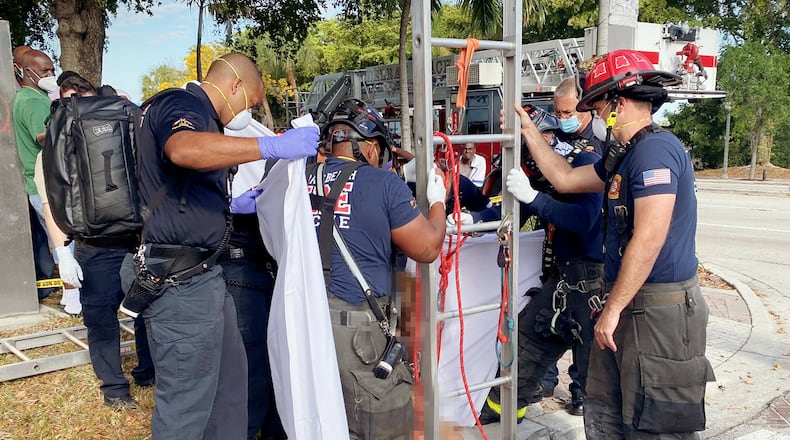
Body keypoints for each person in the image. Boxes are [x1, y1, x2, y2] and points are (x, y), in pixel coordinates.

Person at [506, 49, 715, 439]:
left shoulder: (655, 150)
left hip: (658, 309)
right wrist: (530, 132)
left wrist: (613, 308)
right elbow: (567, 179)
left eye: (598, 105)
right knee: (608, 407)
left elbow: (649, 237)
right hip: (628, 298)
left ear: (619, 101)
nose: (596, 115)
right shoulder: (623, 155)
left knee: (655, 419)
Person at [133, 52, 318, 440]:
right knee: (185, 407)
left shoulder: (206, 117)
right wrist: (271, 147)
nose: (247, 114)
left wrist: (234, 205)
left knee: (231, 389)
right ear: (234, 85)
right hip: (179, 282)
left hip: (206, 276)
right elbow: (184, 150)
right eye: (250, 103)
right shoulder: (181, 104)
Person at [306, 98, 447, 439]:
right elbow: (427, 248)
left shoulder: (300, 177)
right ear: (370, 147)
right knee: (386, 421)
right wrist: (438, 201)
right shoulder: (383, 184)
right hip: (358, 331)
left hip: (308, 321)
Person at [37, 73, 156, 408]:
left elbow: (52, 203)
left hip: (106, 243)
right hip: (126, 240)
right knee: (128, 313)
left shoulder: (60, 138)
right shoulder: (123, 120)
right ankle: (133, 379)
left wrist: (64, 253)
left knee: (114, 317)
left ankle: (126, 384)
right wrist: (63, 253)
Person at [477, 107, 602, 422]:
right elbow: (509, 213)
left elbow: (583, 221)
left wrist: (535, 197)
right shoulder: (541, 176)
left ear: (545, 138)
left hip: (592, 283)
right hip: (561, 280)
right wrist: (471, 221)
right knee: (526, 351)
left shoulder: (582, 162)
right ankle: (503, 410)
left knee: (596, 376)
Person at [538, 75, 610, 411]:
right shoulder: (555, 145)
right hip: (557, 251)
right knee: (546, 325)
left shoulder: (593, 151)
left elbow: (584, 218)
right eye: (557, 111)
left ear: (584, 109)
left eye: (568, 111)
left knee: (584, 333)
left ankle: (581, 389)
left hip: (587, 258)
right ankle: (544, 380)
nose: (562, 117)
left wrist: (536, 199)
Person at [12, 49, 59, 299]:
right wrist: (66, 127)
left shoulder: (38, 97)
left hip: (45, 183)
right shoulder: (30, 101)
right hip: (43, 184)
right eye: (44, 71)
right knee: (60, 240)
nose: (51, 74)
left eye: (52, 69)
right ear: (26, 72)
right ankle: (72, 297)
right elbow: (41, 137)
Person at [553, 77, 606, 156]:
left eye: (568, 113)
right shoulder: (555, 134)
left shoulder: (602, 137)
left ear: (584, 107)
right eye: (558, 112)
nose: (562, 118)